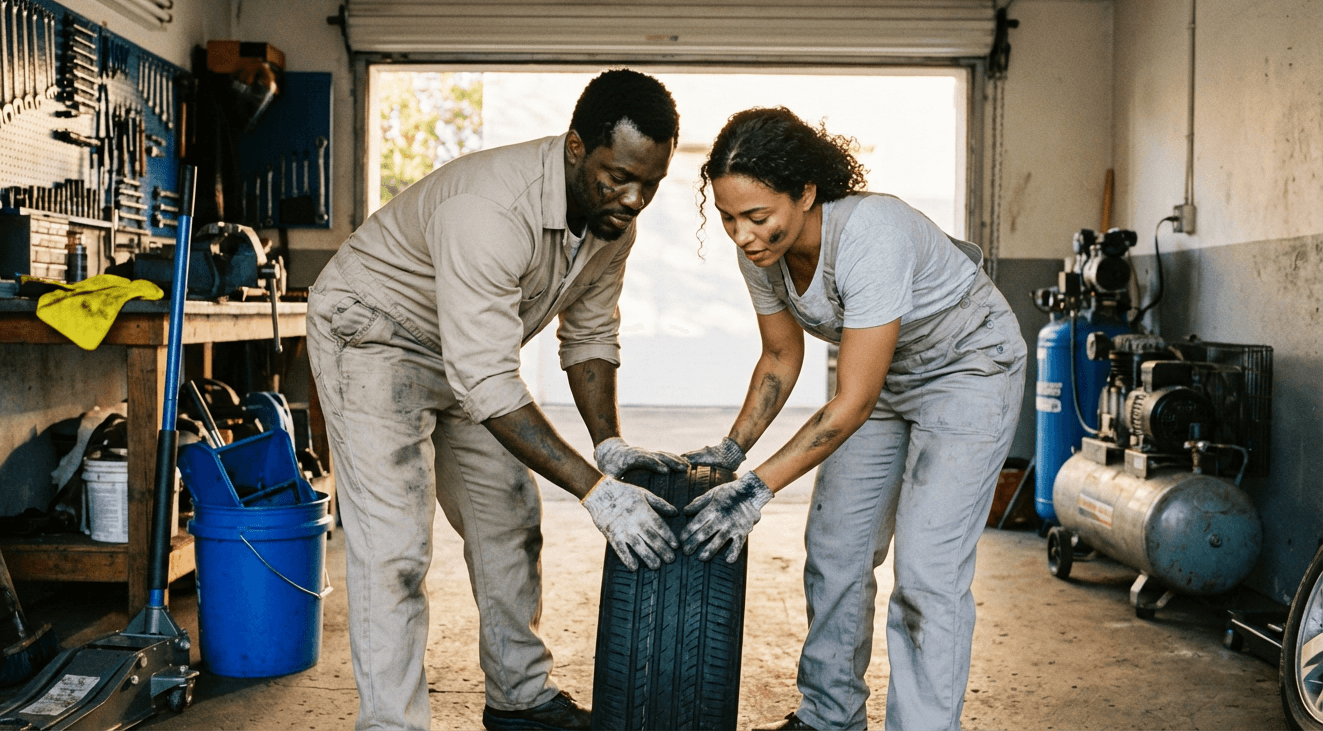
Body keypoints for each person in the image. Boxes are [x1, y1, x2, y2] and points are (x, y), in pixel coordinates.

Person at [306, 69, 688, 731]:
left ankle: (520, 699)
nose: (631, 197)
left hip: (471, 354)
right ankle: (392, 724)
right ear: (576, 147)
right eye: (615, 176)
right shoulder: (491, 208)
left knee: (511, 522)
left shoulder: (612, 227)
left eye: (648, 184)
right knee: (395, 547)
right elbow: (487, 380)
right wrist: (594, 490)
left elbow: (589, 336)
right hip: (375, 335)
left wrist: (610, 448)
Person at [679, 107, 1026, 731]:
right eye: (729, 218)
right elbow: (782, 356)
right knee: (836, 548)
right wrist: (731, 451)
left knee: (927, 570)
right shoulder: (762, 256)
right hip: (885, 377)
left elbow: (852, 402)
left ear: (807, 193)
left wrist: (756, 488)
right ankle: (829, 718)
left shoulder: (872, 233)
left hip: (969, 369)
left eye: (758, 217)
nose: (743, 235)